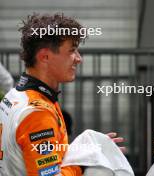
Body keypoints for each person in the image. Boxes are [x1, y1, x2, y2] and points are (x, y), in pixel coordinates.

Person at [0, 13, 124, 176]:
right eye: (72, 50)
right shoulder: (38, 113)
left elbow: (35, 153)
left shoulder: (15, 96)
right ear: (45, 57)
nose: (79, 59)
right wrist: (84, 163)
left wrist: (87, 150)